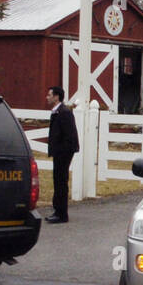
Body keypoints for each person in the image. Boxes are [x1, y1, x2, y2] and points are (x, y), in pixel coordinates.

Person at [45, 85, 79, 223]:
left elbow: (69, 135)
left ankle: (61, 213)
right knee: (58, 180)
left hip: (63, 152)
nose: (47, 97)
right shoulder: (57, 112)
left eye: (49, 95)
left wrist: (63, 151)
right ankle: (57, 209)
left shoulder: (64, 112)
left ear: (56, 96)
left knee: (61, 181)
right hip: (59, 151)